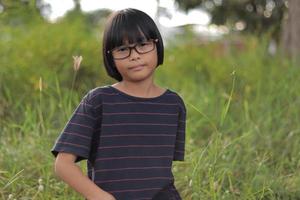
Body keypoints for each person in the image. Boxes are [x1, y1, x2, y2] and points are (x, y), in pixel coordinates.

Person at [51, 8, 187, 200]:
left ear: (157, 45)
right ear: (111, 57)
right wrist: (101, 197)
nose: (135, 55)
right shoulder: (99, 101)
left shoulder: (174, 104)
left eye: (142, 44)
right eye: (123, 49)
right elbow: (63, 164)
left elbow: (159, 170)